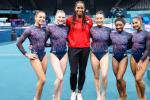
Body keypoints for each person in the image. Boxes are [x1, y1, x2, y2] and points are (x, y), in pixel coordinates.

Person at [16, 11, 48, 100]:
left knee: (41, 81)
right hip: (35, 56)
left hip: (44, 56)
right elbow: (18, 43)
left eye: (44, 18)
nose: (42, 19)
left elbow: (44, 43)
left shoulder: (44, 29)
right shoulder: (29, 29)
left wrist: (56, 43)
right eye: (40, 17)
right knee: (43, 79)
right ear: (35, 17)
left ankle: (38, 98)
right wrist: (27, 54)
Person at [66, 1, 93, 100]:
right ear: (75, 8)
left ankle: (79, 92)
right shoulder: (69, 20)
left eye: (82, 8)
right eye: (78, 7)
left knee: (82, 71)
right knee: (73, 72)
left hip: (85, 49)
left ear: (84, 9)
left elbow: (91, 34)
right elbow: (64, 33)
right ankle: (73, 91)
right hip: (73, 49)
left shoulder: (89, 21)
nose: (80, 9)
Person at [45, 10, 68, 100]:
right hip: (54, 53)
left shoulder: (67, 28)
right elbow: (43, 41)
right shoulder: (50, 28)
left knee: (60, 80)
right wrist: (32, 45)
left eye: (63, 17)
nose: (61, 19)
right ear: (55, 17)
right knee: (60, 77)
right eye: (59, 17)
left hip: (64, 54)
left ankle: (58, 98)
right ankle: (54, 96)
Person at [90, 11, 111, 100]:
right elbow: (87, 39)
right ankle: (98, 94)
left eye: (101, 18)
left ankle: (104, 93)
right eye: (97, 18)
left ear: (104, 19)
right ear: (95, 19)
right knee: (96, 76)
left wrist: (105, 47)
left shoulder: (108, 30)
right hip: (94, 53)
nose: (99, 20)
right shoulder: (91, 29)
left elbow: (111, 41)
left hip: (104, 53)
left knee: (104, 75)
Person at [110, 18, 132, 100]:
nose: (118, 26)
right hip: (115, 57)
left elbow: (131, 45)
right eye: (117, 25)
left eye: (120, 25)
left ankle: (124, 93)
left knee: (119, 77)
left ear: (124, 25)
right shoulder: (112, 35)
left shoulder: (129, 35)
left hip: (123, 57)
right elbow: (108, 42)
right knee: (117, 79)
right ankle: (120, 95)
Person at [130, 16, 150, 100]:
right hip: (133, 57)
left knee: (138, 78)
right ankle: (139, 98)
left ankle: (143, 96)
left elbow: (148, 49)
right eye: (133, 23)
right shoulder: (133, 34)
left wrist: (141, 60)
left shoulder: (147, 33)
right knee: (136, 79)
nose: (134, 24)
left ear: (141, 22)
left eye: (136, 23)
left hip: (144, 58)